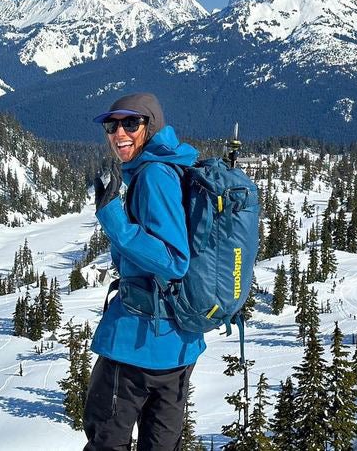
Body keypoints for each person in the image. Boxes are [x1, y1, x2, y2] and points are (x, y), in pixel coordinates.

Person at [83, 93, 205, 451]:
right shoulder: (169, 164)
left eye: (130, 123)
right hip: (178, 345)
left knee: (107, 441)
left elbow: (173, 260)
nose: (119, 132)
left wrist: (114, 221)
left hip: (140, 343)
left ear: (150, 127)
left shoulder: (154, 175)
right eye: (111, 124)